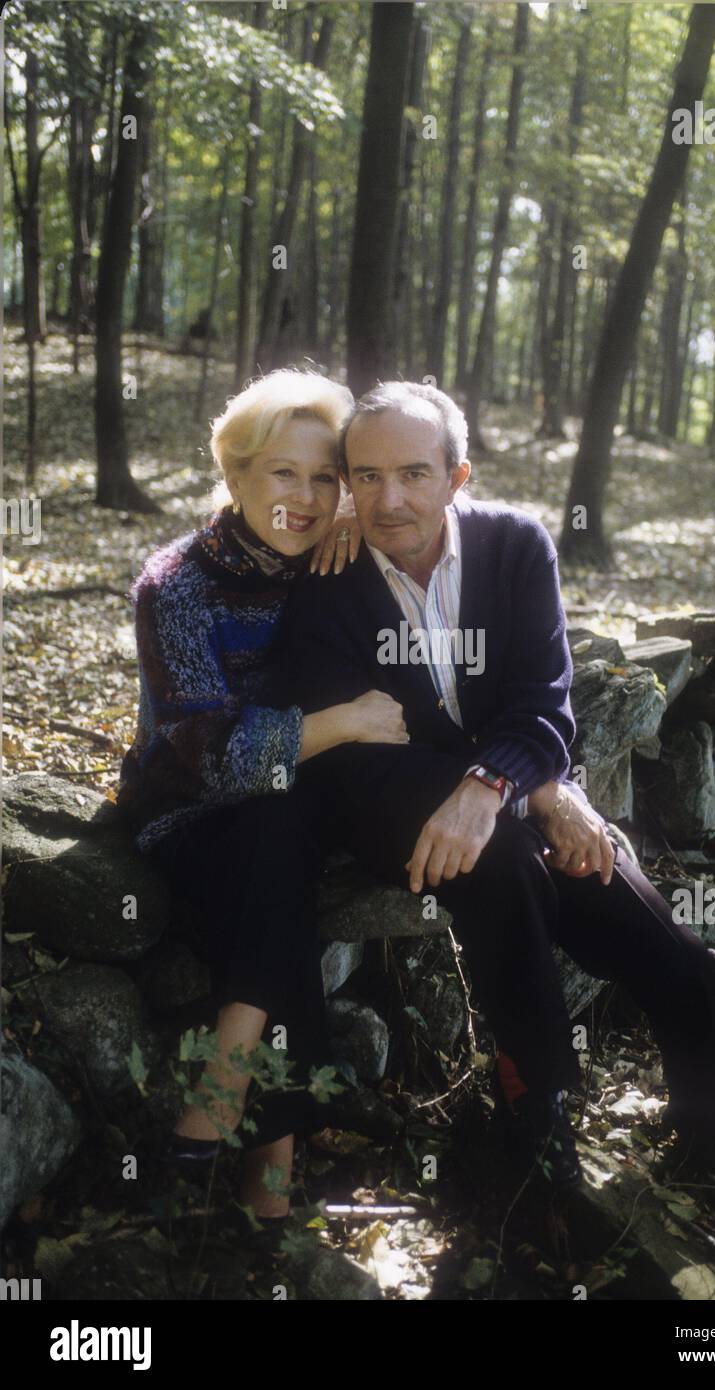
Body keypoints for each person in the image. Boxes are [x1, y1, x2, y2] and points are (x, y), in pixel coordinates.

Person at [275, 380, 715, 1188]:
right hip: (383, 802)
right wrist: (522, 789)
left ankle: (713, 1141)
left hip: (510, 793)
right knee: (502, 868)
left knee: (674, 956)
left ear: (459, 478)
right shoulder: (324, 581)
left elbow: (543, 699)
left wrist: (511, 785)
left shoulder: (516, 549)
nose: (388, 499)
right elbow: (363, 754)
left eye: (414, 474)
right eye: (365, 476)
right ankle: (538, 1121)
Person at [116, 368, 407, 1222]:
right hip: (189, 812)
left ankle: (227, 1079)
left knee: (282, 817)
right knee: (275, 854)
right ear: (234, 473)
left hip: (302, 807)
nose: (306, 498)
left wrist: (360, 515)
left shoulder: (339, 561)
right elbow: (207, 756)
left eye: (326, 478)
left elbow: (437, 502)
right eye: (284, 473)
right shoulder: (174, 586)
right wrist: (345, 720)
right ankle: (266, 1176)